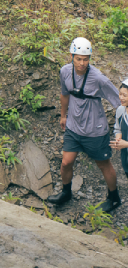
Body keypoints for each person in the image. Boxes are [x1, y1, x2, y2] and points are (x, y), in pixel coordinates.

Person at [46, 38, 122, 213]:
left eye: (86, 59)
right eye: (79, 58)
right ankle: (66, 192)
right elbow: (64, 94)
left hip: (95, 130)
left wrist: (122, 128)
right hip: (73, 126)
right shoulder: (65, 71)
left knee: (104, 165)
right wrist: (63, 115)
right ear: (72, 56)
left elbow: (119, 102)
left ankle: (114, 198)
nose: (82, 63)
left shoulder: (98, 78)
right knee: (66, 163)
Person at [111, 79, 128, 181]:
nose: (121, 97)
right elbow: (118, 128)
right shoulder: (121, 110)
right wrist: (118, 140)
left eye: (124, 95)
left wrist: (125, 144)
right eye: (120, 94)